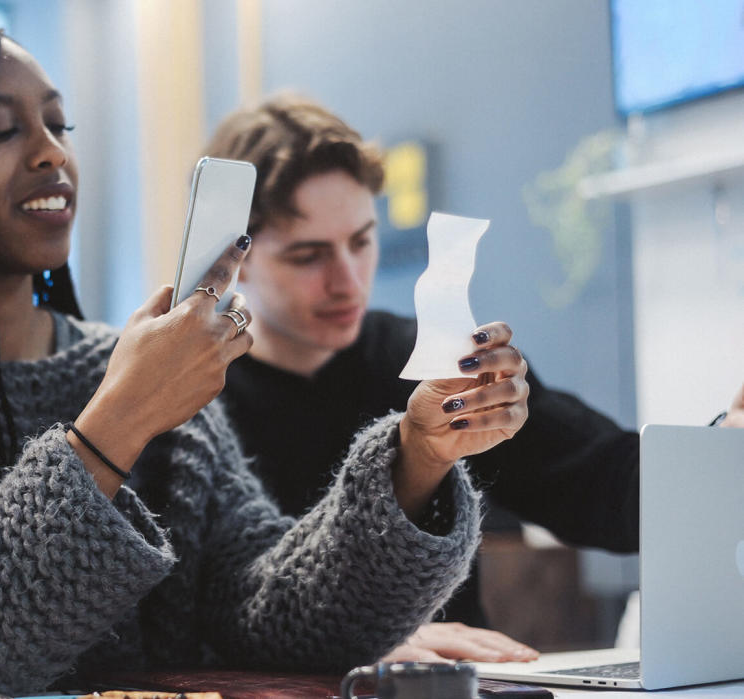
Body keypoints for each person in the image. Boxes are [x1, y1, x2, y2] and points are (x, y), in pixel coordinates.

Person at [0, 23, 533, 698]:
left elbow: (272, 611)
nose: (52, 154)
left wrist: (416, 459)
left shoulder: (113, 363)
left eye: (58, 126)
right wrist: (119, 420)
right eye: (3, 130)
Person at [202, 94, 744, 663]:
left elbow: (603, 486)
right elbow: (199, 612)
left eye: (362, 241)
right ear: (236, 258)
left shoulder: (434, 362)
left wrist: (722, 446)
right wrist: (356, 639)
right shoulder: (194, 397)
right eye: (308, 256)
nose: (348, 280)